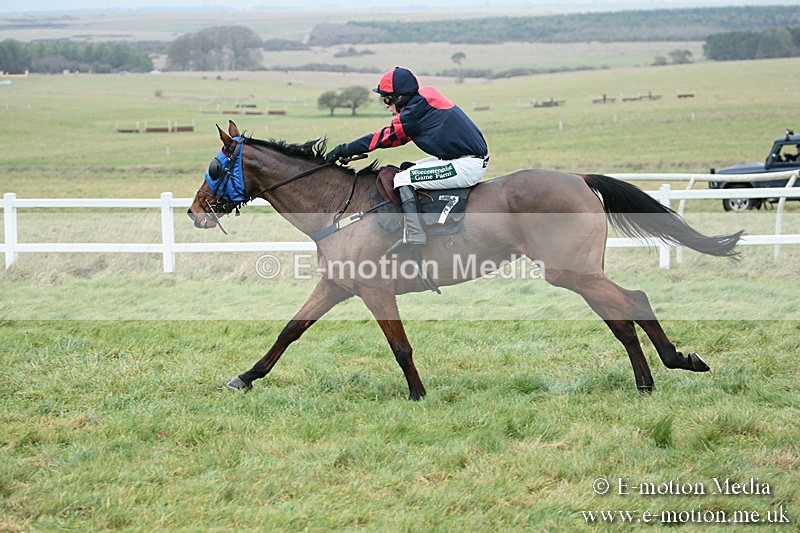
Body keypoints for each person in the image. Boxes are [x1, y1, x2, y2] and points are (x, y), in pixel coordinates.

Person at [326, 66, 489, 255]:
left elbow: (382, 137)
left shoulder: (413, 114)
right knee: (407, 170)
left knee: (402, 179)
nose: (386, 105)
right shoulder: (423, 99)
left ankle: (415, 233)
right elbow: (397, 139)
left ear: (400, 98)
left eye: (387, 99)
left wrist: (342, 150)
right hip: (462, 158)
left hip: (467, 165)